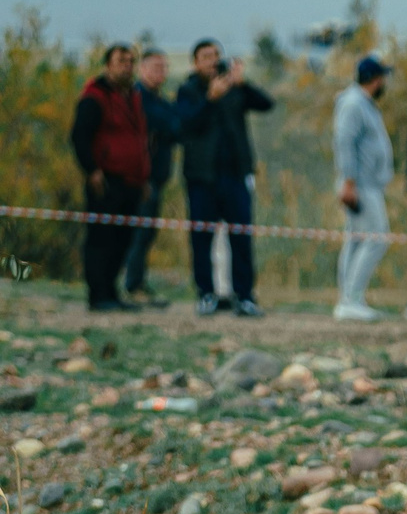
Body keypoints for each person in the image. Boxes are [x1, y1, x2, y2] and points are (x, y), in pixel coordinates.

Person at [170, 38, 273, 316]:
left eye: (216, 55)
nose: (213, 60)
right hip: (202, 176)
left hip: (235, 174)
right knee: (202, 237)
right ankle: (206, 293)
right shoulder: (188, 90)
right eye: (206, 56)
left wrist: (243, 83)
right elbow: (184, 126)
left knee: (240, 236)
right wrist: (209, 100)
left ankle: (244, 295)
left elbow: (266, 104)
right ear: (195, 62)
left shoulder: (233, 88)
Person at [69, 43, 149, 312]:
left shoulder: (133, 96)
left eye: (130, 61)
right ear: (108, 65)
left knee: (123, 239)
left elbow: (139, 139)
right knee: (101, 238)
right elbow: (80, 136)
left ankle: (112, 292)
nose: (127, 66)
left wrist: (144, 176)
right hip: (105, 179)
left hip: (132, 180)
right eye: (121, 61)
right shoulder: (95, 97)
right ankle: (98, 294)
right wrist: (91, 170)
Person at [332, 55, 395, 320]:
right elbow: (344, 142)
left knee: (357, 240)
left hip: (366, 183)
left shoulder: (363, 104)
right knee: (376, 238)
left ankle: (350, 297)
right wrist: (348, 181)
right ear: (375, 79)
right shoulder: (354, 104)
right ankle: (351, 299)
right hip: (360, 184)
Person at [122, 49, 179, 305]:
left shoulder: (159, 100)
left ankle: (136, 283)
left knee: (147, 231)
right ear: (142, 69)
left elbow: (175, 126)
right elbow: (169, 124)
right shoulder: (138, 99)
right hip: (141, 177)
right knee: (139, 231)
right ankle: (132, 285)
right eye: (156, 67)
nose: (161, 72)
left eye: (164, 67)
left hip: (157, 176)